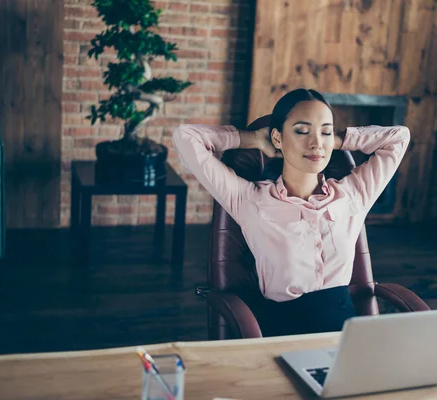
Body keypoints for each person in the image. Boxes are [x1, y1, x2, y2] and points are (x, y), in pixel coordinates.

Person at [172, 88, 410, 337]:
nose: (316, 143)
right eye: (302, 131)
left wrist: (337, 141)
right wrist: (252, 139)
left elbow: (399, 136)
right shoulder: (249, 200)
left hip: (347, 339)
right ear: (277, 138)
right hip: (283, 336)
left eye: (325, 131)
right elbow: (185, 137)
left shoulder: (354, 194)